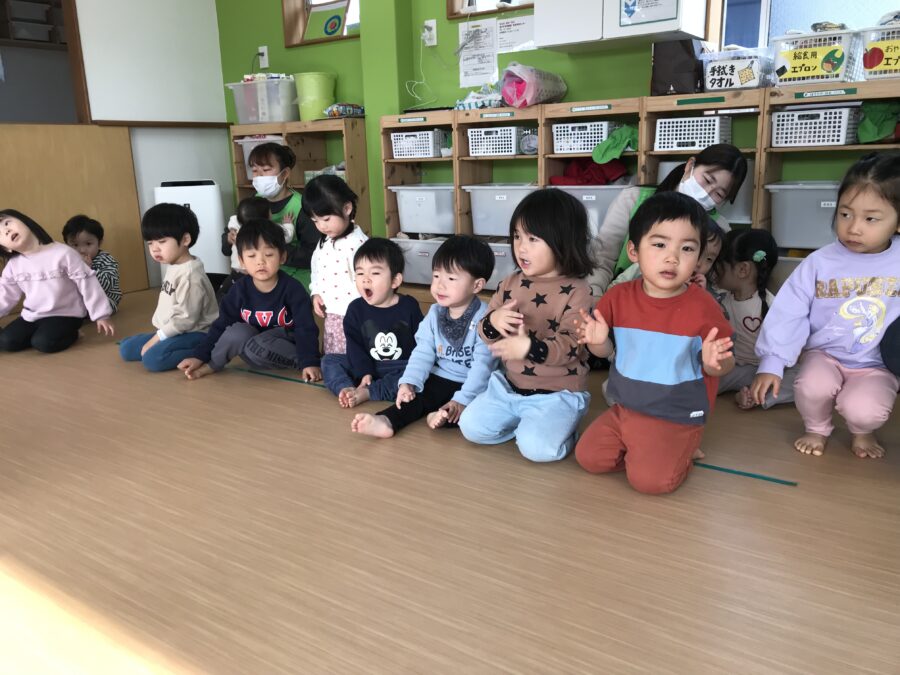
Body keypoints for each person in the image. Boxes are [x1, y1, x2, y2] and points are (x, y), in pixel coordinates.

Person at [574, 192, 735, 495]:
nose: (672, 257)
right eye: (660, 245)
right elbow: (606, 352)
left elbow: (724, 364)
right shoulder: (618, 297)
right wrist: (597, 342)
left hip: (675, 416)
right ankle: (648, 448)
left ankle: (683, 446)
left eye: (687, 248)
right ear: (634, 251)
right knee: (589, 458)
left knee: (649, 482)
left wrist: (715, 363)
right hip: (626, 408)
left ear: (699, 258)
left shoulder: (704, 307)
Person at [751, 152, 900, 459]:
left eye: (870, 219)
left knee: (865, 409)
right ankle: (817, 428)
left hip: (877, 364)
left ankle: (862, 431)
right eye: (845, 214)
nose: (854, 227)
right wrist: (773, 362)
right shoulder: (819, 262)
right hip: (825, 355)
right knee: (810, 386)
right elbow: (790, 311)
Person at [458, 188, 595, 463]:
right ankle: (525, 425)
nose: (521, 247)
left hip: (557, 394)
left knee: (537, 450)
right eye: (517, 236)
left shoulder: (578, 290)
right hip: (509, 387)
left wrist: (529, 347)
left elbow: (572, 347)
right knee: (470, 427)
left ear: (563, 241)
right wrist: (493, 321)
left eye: (533, 239)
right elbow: (484, 332)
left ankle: (561, 430)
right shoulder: (511, 282)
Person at [351, 236, 497, 438]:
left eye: (451, 279)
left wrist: (462, 399)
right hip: (441, 375)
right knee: (413, 398)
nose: (440, 285)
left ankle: (439, 415)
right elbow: (422, 352)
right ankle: (386, 421)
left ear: (477, 285)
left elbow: (483, 367)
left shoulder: (487, 318)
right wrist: (408, 382)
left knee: (478, 410)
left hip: (476, 382)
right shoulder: (435, 313)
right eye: (436, 276)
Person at [589, 143, 748, 296]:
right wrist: (596, 295)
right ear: (690, 166)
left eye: (719, 194)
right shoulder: (633, 199)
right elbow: (602, 258)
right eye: (706, 180)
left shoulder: (719, 228)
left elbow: (717, 282)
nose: (706, 193)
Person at [177, 219, 321, 382]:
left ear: (282, 257)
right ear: (241, 261)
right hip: (254, 352)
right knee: (239, 332)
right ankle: (212, 366)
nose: (260, 262)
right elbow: (220, 325)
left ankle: (306, 363)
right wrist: (199, 356)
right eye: (251, 256)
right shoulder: (239, 290)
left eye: (268, 255)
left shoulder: (293, 289)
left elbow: (305, 328)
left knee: (258, 344)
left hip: (283, 346)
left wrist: (310, 361)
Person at [321, 238, 423, 408]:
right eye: (360, 273)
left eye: (375, 273)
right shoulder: (355, 309)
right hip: (368, 364)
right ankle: (346, 388)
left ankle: (370, 391)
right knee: (329, 360)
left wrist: (416, 369)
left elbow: (422, 344)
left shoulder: (409, 306)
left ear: (395, 280)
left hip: (400, 366)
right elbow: (354, 347)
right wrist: (365, 372)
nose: (365, 280)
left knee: (423, 371)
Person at [119, 203, 218, 372]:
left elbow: (186, 319)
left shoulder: (190, 276)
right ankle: (164, 340)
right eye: (150, 243)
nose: (155, 249)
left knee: (153, 359)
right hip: (176, 330)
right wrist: (159, 335)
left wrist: (156, 339)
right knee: (126, 348)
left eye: (162, 241)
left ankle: (208, 349)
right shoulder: (175, 264)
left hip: (196, 332)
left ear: (185, 240)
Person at [0, 209, 114, 352]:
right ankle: (42, 334)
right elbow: (5, 294)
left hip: (66, 314)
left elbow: (87, 283)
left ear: (26, 222)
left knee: (43, 343)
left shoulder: (63, 253)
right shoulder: (13, 265)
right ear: (6, 248)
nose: (6, 231)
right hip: (33, 315)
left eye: (7, 223)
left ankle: (72, 334)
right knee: (6, 342)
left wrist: (101, 314)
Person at [711, 228, 796, 409]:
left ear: (743, 269)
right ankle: (754, 393)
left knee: (800, 380)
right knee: (703, 376)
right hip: (733, 368)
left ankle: (754, 395)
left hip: (766, 371)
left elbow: (787, 346)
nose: (712, 270)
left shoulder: (773, 306)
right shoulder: (720, 298)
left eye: (717, 263)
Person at [305, 175, 368, 358]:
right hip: (332, 311)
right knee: (332, 352)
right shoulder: (325, 240)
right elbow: (316, 268)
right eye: (315, 221)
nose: (321, 226)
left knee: (351, 354)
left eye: (326, 219)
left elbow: (368, 280)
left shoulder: (357, 244)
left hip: (353, 313)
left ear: (347, 209)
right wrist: (316, 292)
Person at [246, 142, 318, 288]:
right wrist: (230, 238)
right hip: (260, 278)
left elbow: (313, 255)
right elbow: (230, 240)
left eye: (266, 169)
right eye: (254, 170)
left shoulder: (302, 207)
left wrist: (274, 250)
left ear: (284, 174)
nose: (259, 176)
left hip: (295, 281)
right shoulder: (254, 200)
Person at [609, 219, 724, 290]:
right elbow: (614, 288)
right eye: (688, 249)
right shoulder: (644, 267)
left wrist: (699, 293)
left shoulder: (701, 286)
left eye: (709, 259)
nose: (699, 263)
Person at [218, 196, 277, 300]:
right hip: (250, 275)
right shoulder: (270, 231)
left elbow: (234, 219)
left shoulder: (237, 227)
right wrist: (288, 224)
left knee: (227, 296)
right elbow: (287, 234)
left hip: (239, 272)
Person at [62, 214, 122, 313]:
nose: (82, 250)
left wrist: (87, 269)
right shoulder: (68, 261)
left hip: (105, 298)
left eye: (88, 244)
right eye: (75, 245)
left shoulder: (105, 259)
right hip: (79, 300)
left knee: (101, 305)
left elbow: (107, 284)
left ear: (99, 243)